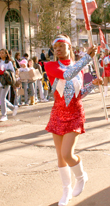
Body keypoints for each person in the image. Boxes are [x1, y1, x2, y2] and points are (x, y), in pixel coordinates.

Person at [44, 34, 102, 206]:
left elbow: (79, 94)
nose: (58, 50)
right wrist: (87, 58)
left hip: (75, 114)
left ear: (69, 47)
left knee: (67, 154)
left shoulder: (80, 69)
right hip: (58, 113)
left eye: (61, 46)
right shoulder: (51, 66)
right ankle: (66, 190)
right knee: (60, 157)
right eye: (55, 48)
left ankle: (81, 176)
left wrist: (93, 85)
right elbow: (67, 75)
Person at [0, 49, 18, 121]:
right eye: (0, 53)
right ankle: (13, 107)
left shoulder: (9, 63)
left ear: (6, 54)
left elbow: (12, 72)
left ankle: (4, 115)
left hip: (6, 82)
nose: (1, 54)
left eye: (2, 53)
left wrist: (5, 72)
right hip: (0, 81)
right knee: (2, 98)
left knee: (2, 98)